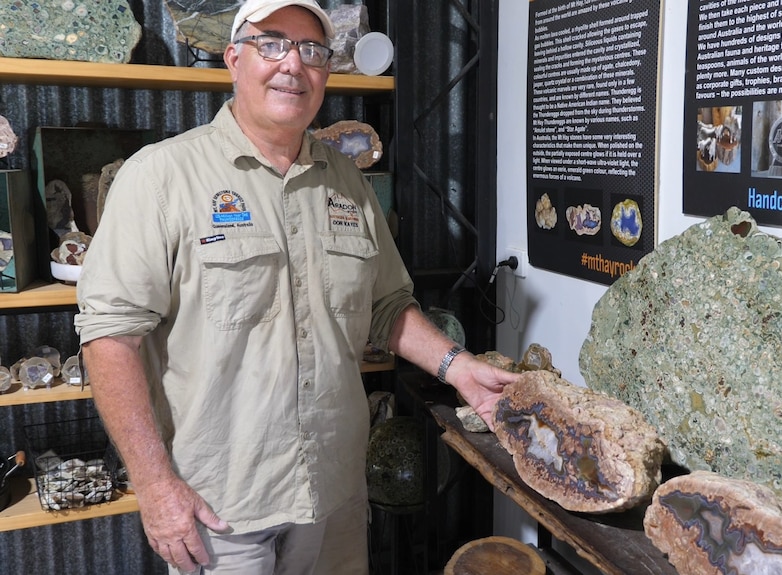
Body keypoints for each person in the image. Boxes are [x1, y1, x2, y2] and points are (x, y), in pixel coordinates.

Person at [74, 1, 520, 573]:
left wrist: (459, 367)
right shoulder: (160, 178)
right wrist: (156, 485)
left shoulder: (346, 181)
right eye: (272, 44)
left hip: (333, 493)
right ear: (234, 59)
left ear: (326, 73)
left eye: (312, 51)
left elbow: (386, 306)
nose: (293, 64)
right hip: (221, 509)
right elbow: (111, 339)